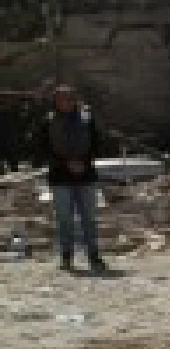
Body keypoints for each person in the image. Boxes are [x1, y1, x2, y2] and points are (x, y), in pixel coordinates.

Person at [42, 84, 108, 273]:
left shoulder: (87, 120)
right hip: (60, 176)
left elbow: (97, 144)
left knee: (89, 218)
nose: (66, 102)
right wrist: (65, 163)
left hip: (85, 175)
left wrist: (83, 162)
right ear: (56, 102)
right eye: (62, 99)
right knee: (64, 219)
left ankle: (94, 257)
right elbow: (43, 149)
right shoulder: (48, 122)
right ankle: (66, 256)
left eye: (70, 98)